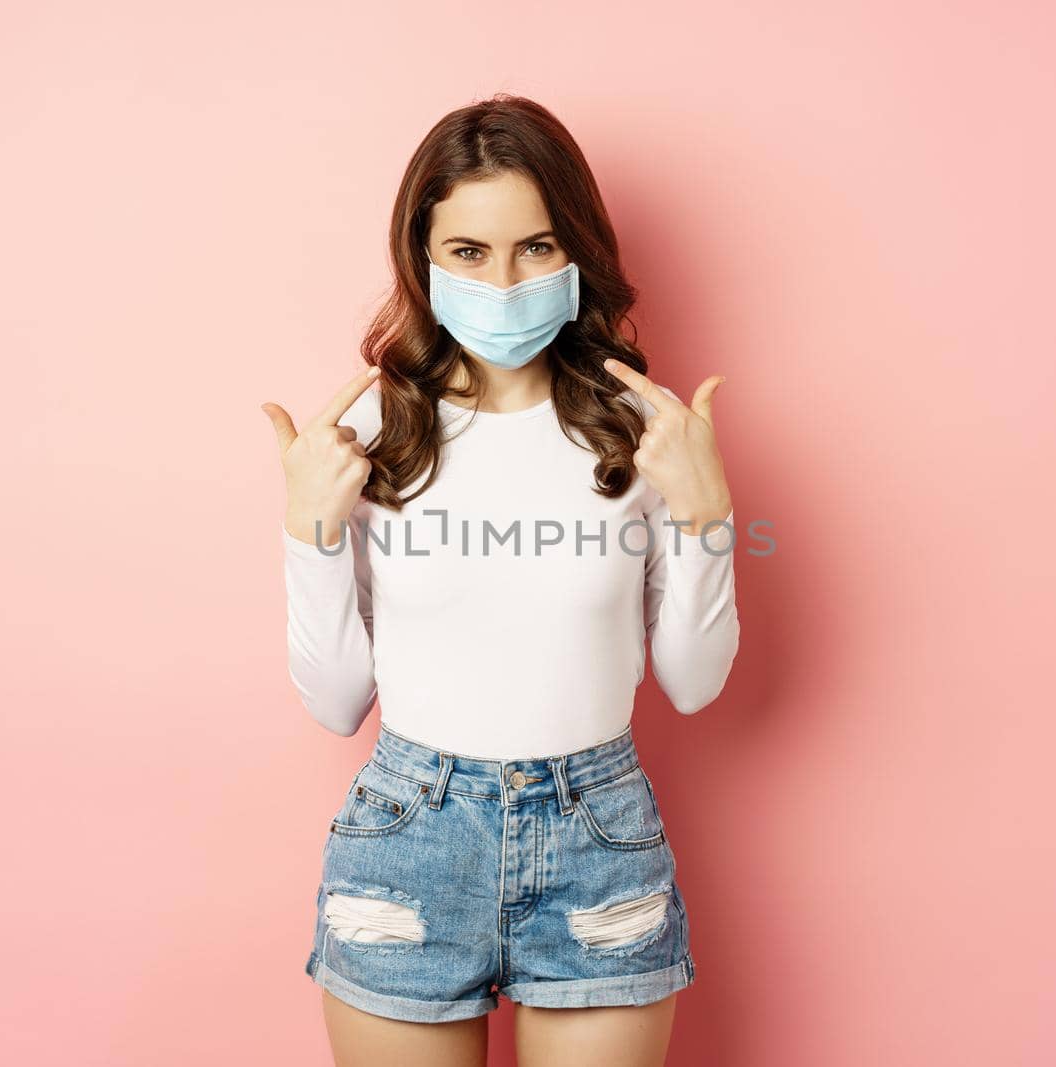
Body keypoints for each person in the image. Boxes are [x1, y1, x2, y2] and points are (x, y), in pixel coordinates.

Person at [261, 94, 741, 1067]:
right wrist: (308, 531)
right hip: (408, 838)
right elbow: (334, 700)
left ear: (578, 254)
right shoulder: (369, 444)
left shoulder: (641, 436)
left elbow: (693, 682)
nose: (506, 280)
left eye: (536, 246)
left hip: (596, 840)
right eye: (470, 253)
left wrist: (705, 515)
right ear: (424, 260)